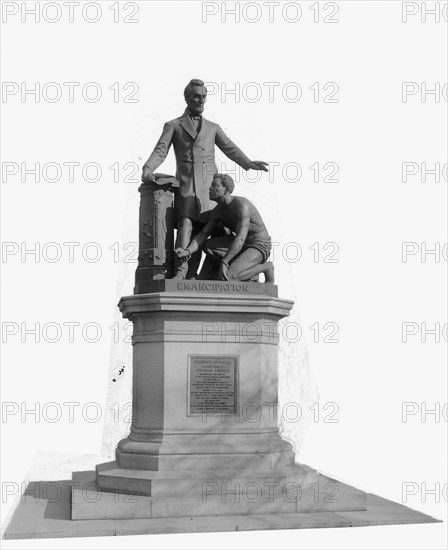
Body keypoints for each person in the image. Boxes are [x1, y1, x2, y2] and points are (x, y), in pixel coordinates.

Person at [141, 79, 269, 279]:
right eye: (196, 96)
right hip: (187, 187)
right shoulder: (174, 125)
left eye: (204, 97)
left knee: (211, 233)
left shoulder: (213, 127)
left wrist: (248, 163)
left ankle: (209, 275)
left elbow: (229, 147)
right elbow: (161, 150)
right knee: (186, 226)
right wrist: (148, 168)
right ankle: (182, 274)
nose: (201, 101)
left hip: (211, 189)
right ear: (187, 98)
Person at [175, 174, 274, 283]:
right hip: (242, 245)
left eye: (215, 185)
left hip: (259, 246)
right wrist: (187, 251)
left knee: (231, 277)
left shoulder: (242, 205)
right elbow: (203, 235)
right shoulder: (218, 211)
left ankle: (264, 268)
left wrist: (225, 261)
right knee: (208, 246)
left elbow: (240, 238)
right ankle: (243, 267)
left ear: (226, 189)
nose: (210, 188)